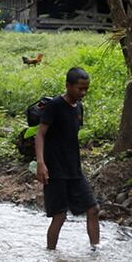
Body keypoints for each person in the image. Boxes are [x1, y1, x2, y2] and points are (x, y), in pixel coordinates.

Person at [36, 67, 98, 251]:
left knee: (93, 209)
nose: (83, 93)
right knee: (60, 215)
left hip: (74, 170)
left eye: (86, 89)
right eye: (80, 89)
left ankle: (96, 251)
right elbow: (40, 135)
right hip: (55, 170)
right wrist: (41, 163)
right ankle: (51, 254)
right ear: (68, 86)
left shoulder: (79, 107)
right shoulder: (54, 106)